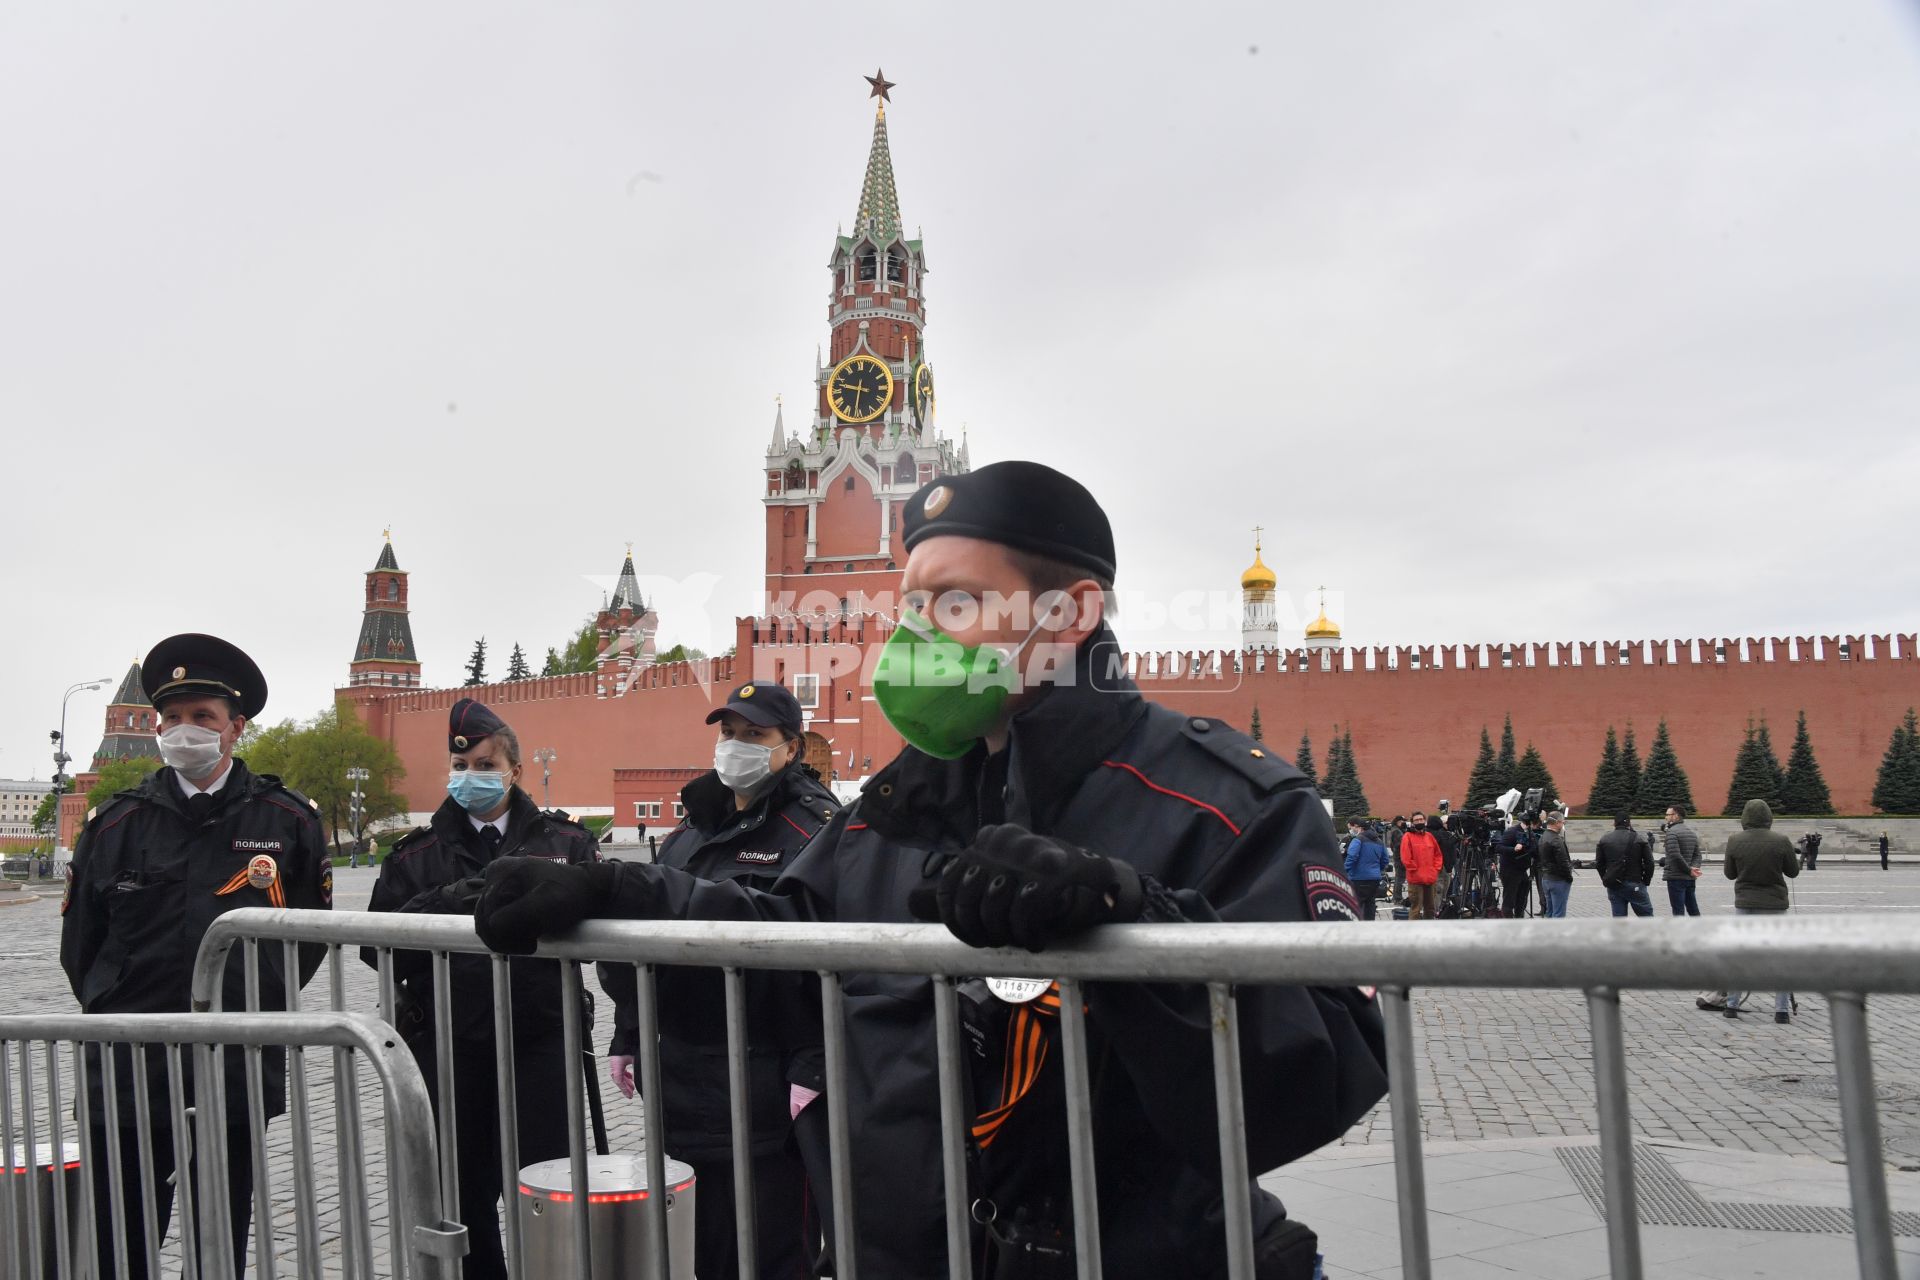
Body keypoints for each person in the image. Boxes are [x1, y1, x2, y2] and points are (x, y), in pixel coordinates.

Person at [474, 460, 1389, 1280]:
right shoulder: (905, 803)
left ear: (1070, 612)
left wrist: (1129, 920)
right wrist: (628, 896)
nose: (914, 632)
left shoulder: (1217, 804)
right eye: (911, 606)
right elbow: (791, 948)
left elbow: (1319, 1069)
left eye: (954, 603)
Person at [61, 634, 332, 1279]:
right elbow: (83, 947)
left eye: (203, 717)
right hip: (129, 1058)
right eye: (173, 718)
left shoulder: (287, 819)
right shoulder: (116, 823)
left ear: (235, 727)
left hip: (231, 1057)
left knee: (219, 1228)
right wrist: (114, 1003)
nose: (186, 730)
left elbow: (309, 936)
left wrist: (256, 996)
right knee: (119, 1233)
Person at [598, 680, 838, 1280]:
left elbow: (830, 958)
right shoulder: (688, 833)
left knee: (775, 1251)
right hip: (684, 1080)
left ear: (792, 746)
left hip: (771, 1090)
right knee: (702, 1248)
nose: (735, 746)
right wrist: (629, 1030)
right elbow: (648, 935)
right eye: (728, 734)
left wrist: (814, 1062)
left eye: (754, 735)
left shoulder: (816, 831)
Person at [365, 698, 601, 1280]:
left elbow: (604, 928)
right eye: (462, 764)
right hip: (449, 1046)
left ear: (516, 770)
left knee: (546, 1190)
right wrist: (445, 904)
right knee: (459, 1198)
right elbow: (377, 945)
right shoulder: (416, 854)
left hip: (540, 1042)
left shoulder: (564, 844)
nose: (472, 776)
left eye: (485, 764)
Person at [1724, 799, 1801, 1023]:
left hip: (1745, 903)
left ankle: (1731, 1005)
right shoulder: (1781, 840)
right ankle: (1781, 1011)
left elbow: (1730, 874)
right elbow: (1793, 872)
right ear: (1769, 818)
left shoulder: (1734, 841)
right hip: (1774, 905)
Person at [1594, 814, 1654, 917]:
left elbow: (1599, 863)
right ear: (1629, 823)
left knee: (1619, 920)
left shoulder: (1605, 839)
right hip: (1635, 882)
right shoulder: (1639, 838)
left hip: (1614, 884)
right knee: (1647, 918)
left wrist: (1606, 878)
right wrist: (1646, 881)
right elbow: (1650, 862)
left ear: (1614, 823)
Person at [1400, 811, 1444, 921]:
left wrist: (1435, 869)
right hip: (1416, 880)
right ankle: (1413, 933)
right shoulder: (1408, 836)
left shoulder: (1429, 836)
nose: (1419, 821)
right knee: (1416, 908)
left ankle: (1428, 931)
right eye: (1416, 820)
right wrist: (1415, 870)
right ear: (1412, 823)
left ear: (1424, 821)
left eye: (1421, 819)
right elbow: (1406, 857)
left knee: (1430, 908)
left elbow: (1438, 854)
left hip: (1430, 878)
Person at [1343, 820, 1391, 920]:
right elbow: (1385, 859)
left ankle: (1357, 929)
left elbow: (1352, 857)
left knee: (1356, 905)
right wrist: (1377, 870)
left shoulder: (1358, 840)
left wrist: (1345, 870)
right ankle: (1369, 927)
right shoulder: (1379, 841)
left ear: (1361, 828)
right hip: (1374, 878)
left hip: (1358, 878)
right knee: (1370, 903)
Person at [1661, 806, 1703, 916]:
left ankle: (1679, 932)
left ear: (1676, 816)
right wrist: (1694, 868)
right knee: (1693, 909)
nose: (1666, 817)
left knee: (1678, 911)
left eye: (1668, 815)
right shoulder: (1691, 833)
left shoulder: (1672, 832)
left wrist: (1689, 870)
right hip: (1689, 879)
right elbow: (1697, 855)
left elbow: (1675, 855)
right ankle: (1701, 931)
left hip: (1676, 877)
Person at [1536, 813, 1573, 917]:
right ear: (1557, 823)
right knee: (1558, 913)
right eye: (1562, 822)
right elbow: (1563, 862)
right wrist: (1569, 877)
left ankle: (1548, 932)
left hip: (1546, 878)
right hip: (1558, 879)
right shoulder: (1556, 839)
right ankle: (1556, 933)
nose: (1563, 824)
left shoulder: (1543, 837)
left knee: (1550, 912)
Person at [1495, 815, 1533, 918]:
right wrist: (1514, 849)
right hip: (1510, 870)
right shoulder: (1512, 832)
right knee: (1509, 899)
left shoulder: (1529, 833)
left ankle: (1519, 918)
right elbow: (1499, 847)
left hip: (1521, 870)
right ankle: (1509, 923)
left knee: (1522, 898)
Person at [1387, 816, 1408, 906]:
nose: (1403, 823)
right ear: (1398, 821)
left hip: (1397, 856)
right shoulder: (1397, 831)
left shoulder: (1395, 830)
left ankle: (1396, 897)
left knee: (1398, 878)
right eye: (1401, 821)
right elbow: (1402, 843)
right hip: (1400, 857)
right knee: (1400, 878)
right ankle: (1397, 898)